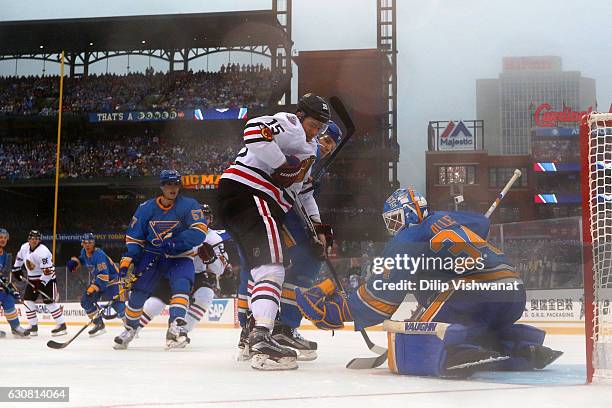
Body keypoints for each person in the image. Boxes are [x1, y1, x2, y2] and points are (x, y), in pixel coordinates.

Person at [296, 188, 563, 377]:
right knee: (472, 324)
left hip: (474, 294)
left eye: (395, 219)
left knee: (418, 337)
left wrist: (337, 311)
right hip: (513, 290)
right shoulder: (448, 219)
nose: (393, 227)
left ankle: (457, 351)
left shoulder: (407, 240)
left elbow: (378, 302)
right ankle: (522, 346)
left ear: (410, 213)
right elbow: (481, 222)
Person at [218, 93, 330, 370]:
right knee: (272, 266)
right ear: (301, 115)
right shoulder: (290, 124)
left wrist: (318, 226)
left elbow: (300, 192)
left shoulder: (309, 148)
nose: (315, 132)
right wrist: (282, 163)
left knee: (261, 269)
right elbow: (254, 131)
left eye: (321, 128)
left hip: (242, 198)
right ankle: (262, 339)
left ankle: (251, 336)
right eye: (313, 124)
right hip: (252, 193)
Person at [113, 170, 208, 350]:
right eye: (169, 184)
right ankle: (130, 329)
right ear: (162, 187)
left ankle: (176, 327)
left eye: (176, 184)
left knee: (182, 286)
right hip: (152, 256)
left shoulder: (189, 205)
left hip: (180, 256)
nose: (173, 188)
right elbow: (134, 239)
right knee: (138, 294)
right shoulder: (146, 208)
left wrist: (176, 242)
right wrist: (129, 259)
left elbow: (199, 231)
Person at [137, 204, 231, 343]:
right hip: (174, 271)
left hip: (197, 274)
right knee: (155, 304)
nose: (203, 220)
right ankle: (132, 328)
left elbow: (219, 270)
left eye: (206, 217)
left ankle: (180, 331)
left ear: (211, 220)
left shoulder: (214, 238)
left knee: (206, 294)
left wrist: (211, 259)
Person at [66, 233, 126, 337]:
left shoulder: (99, 255)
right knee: (86, 301)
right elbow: (82, 259)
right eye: (85, 242)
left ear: (94, 243)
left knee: (118, 305)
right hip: (100, 280)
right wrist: (75, 263)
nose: (88, 245)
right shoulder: (84, 252)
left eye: (90, 242)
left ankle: (130, 327)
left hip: (113, 281)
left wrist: (93, 288)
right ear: (82, 243)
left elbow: (104, 275)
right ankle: (99, 325)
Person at [12, 230, 66, 336]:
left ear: (39, 240)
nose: (34, 240)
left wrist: (42, 283)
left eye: (36, 238)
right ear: (28, 239)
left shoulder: (43, 252)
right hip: (32, 279)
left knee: (49, 302)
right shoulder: (24, 247)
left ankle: (62, 325)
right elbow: (19, 258)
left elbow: (48, 271)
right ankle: (33, 326)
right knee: (28, 301)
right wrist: (16, 269)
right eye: (32, 238)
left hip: (48, 279)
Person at [0, 228, 30, 338]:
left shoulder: (7, 256)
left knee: (9, 300)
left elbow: (5, 275)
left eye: (5, 238)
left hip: (1, 287)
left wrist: (10, 286)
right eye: (0, 237)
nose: (3, 240)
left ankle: (16, 327)